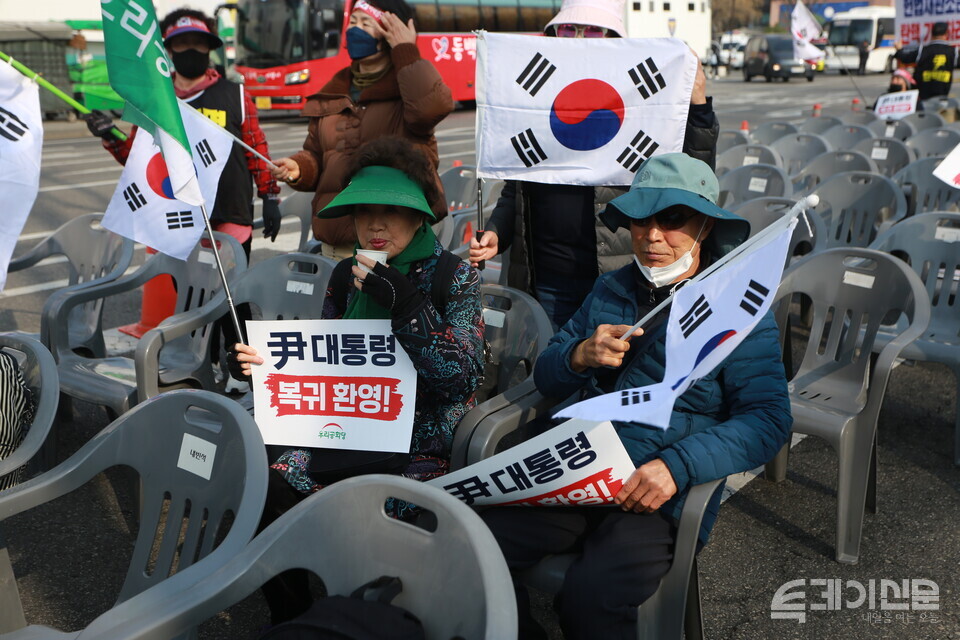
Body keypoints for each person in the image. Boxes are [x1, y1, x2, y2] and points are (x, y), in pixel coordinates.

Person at [481, 153, 792, 640]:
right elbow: (547, 373)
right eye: (640, 220)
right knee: (476, 544)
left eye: (672, 221)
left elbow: (769, 418)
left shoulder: (739, 309)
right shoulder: (610, 288)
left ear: (705, 227)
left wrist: (677, 468)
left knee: (592, 597)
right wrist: (580, 355)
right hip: (580, 468)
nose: (651, 236)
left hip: (658, 492)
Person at [228, 137, 484, 624]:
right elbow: (327, 361)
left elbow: (462, 379)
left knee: (349, 512)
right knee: (264, 479)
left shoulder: (455, 278)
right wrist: (262, 365)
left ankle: (359, 619)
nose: (375, 225)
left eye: (391, 210)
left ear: (421, 215)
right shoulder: (347, 274)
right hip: (346, 429)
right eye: (365, 212)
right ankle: (299, 618)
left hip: (421, 448)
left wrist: (408, 303)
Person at [468, 0, 719, 331]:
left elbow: (691, 181)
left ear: (615, 39)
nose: (580, 38)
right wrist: (498, 232)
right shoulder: (533, 103)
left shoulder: (641, 105)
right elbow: (516, 186)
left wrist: (697, 103)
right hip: (544, 276)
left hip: (616, 278)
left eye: (594, 30)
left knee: (610, 371)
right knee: (554, 370)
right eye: (569, 29)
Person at [84, 8, 282, 392]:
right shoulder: (156, 100)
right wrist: (111, 135)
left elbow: (256, 146)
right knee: (189, 303)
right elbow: (142, 161)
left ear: (210, 49)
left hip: (229, 215)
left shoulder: (235, 93)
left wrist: (270, 195)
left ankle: (245, 376)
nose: (191, 50)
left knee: (232, 300)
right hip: (178, 219)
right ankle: (199, 369)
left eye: (199, 44)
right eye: (181, 44)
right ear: (167, 50)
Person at [270, 0, 453, 261]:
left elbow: (431, 108)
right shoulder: (334, 92)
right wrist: (299, 168)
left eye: (366, 23)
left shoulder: (408, 92)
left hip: (393, 247)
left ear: (391, 33)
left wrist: (406, 50)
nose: (356, 30)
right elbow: (317, 154)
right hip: (335, 245)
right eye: (353, 22)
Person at [894, 22, 959, 101]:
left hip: (923, 98)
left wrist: (899, 49)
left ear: (931, 34)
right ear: (946, 34)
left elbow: (905, 58)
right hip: (942, 97)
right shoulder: (953, 52)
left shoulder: (922, 51)